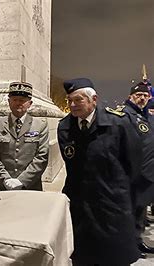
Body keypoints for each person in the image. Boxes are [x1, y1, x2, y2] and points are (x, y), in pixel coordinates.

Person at [57, 78, 142, 265]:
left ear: (93, 99)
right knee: (83, 257)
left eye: (78, 100)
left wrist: (122, 194)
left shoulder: (118, 123)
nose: (72, 105)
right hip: (80, 209)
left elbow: (134, 164)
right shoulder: (64, 126)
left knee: (114, 258)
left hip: (112, 206)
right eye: (69, 100)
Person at [0, 81, 49, 191]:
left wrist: (22, 180)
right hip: (3, 186)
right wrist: (5, 179)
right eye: (15, 100)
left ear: (30, 103)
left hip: (30, 187)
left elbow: (42, 157)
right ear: (9, 101)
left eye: (22, 100)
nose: (18, 103)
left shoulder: (40, 125)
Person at [117, 82, 154, 257]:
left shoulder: (146, 115)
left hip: (146, 175)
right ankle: (128, 245)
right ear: (131, 96)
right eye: (138, 95)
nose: (142, 98)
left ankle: (136, 242)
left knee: (139, 212)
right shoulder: (125, 115)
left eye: (145, 96)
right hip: (131, 175)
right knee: (129, 212)